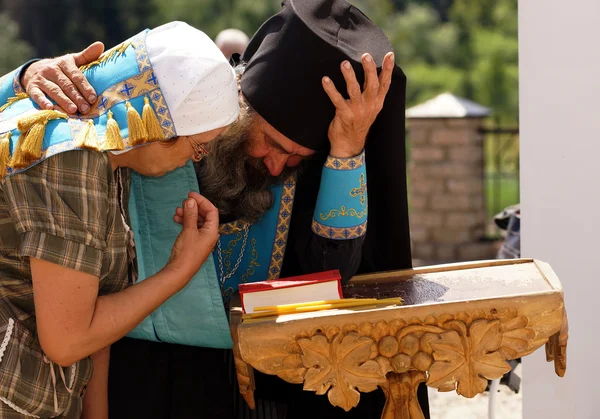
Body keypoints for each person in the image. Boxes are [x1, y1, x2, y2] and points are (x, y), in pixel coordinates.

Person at [19, 1, 429, 418]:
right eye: (272, 144)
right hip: (134, 372)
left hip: (257, 385)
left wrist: (346, 150)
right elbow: (69, 102)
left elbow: (331, 277)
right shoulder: (176, 108)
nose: (275, 166)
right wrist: (29, 73)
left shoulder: (300, 160)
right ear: (239, 107)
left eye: (295, 160)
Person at [0, 21, 238, 418]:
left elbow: (95, 312)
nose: (196, 161)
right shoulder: (73, 156)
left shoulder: (109, 153)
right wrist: (179, 271)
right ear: (161, 130)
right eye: (199, 147)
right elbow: (68, 340)